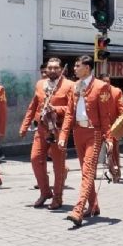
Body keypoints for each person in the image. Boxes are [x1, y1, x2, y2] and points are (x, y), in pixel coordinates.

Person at [58, 55, 112, 228]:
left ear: (87, 68)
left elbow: (105, 116)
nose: (74, 68)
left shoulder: (101, 86)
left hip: (93, 133)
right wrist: (63, 135)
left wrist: (109, 137)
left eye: (77, 66)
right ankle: (93, 205)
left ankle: (78, 210)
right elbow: (69, 113)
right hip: (78, 131)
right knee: (85, 171)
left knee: (88, 170)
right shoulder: (75, 86)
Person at [21, 58, 74, 208]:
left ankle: (57, 197)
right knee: (35, 158)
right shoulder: (40, 84)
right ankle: (45, 192)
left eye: (56, 68)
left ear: (61, 69)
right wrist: (24, 125)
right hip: (42, 127)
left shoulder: (69, 85)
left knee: (58, 165)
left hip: (57, 128)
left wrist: (56, 109)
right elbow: (34, 105)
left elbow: (71, 109)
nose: (52, 70)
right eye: (50, 68)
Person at [99, 74, 123, 183]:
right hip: (98, 125)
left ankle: (116, 173)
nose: (106, 83)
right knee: (94, 150)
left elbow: (122, 109)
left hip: (113, 126)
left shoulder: (116, 91)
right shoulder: (96, 91)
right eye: (103, 81)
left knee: (114, 151)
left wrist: (120, 124)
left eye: (108, 81)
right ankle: (91, 173)